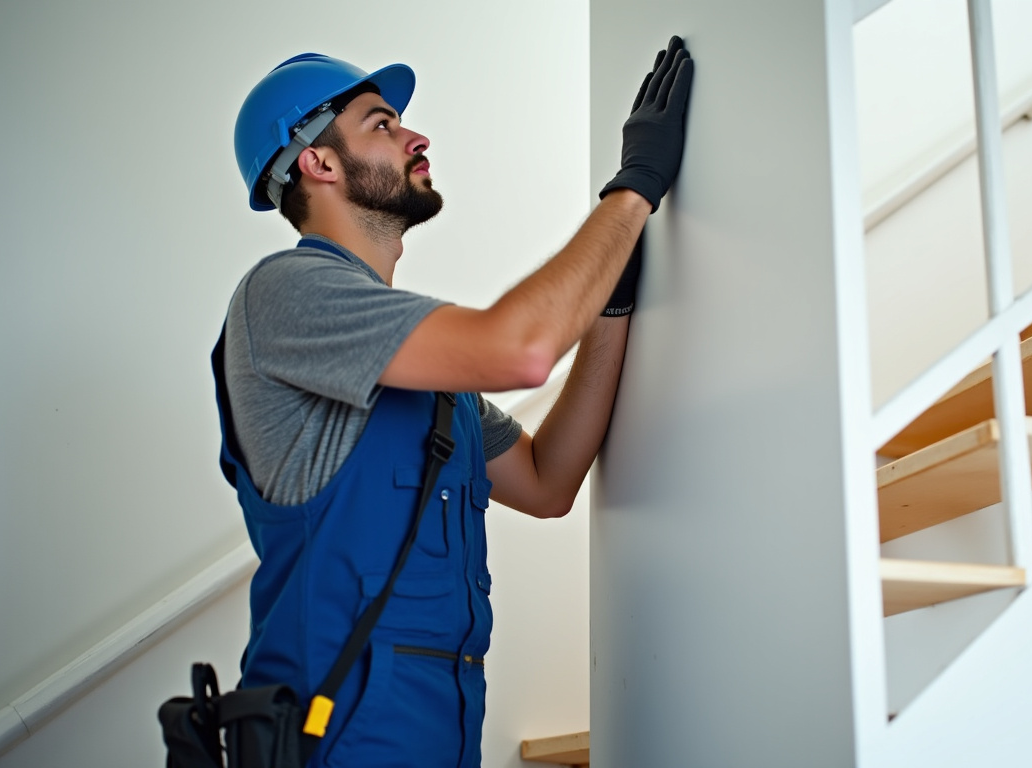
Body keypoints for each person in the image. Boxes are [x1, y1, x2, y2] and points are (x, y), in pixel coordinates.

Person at [215, 37, 693, 767]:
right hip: (332, 743)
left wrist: (611, 307)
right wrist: (633, 190)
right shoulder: (285, 294)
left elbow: (545, 480)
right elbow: (521, 349)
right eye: (381, 123)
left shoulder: (423, 362)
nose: (415, 135)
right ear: (318, 162)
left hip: (442, 734)